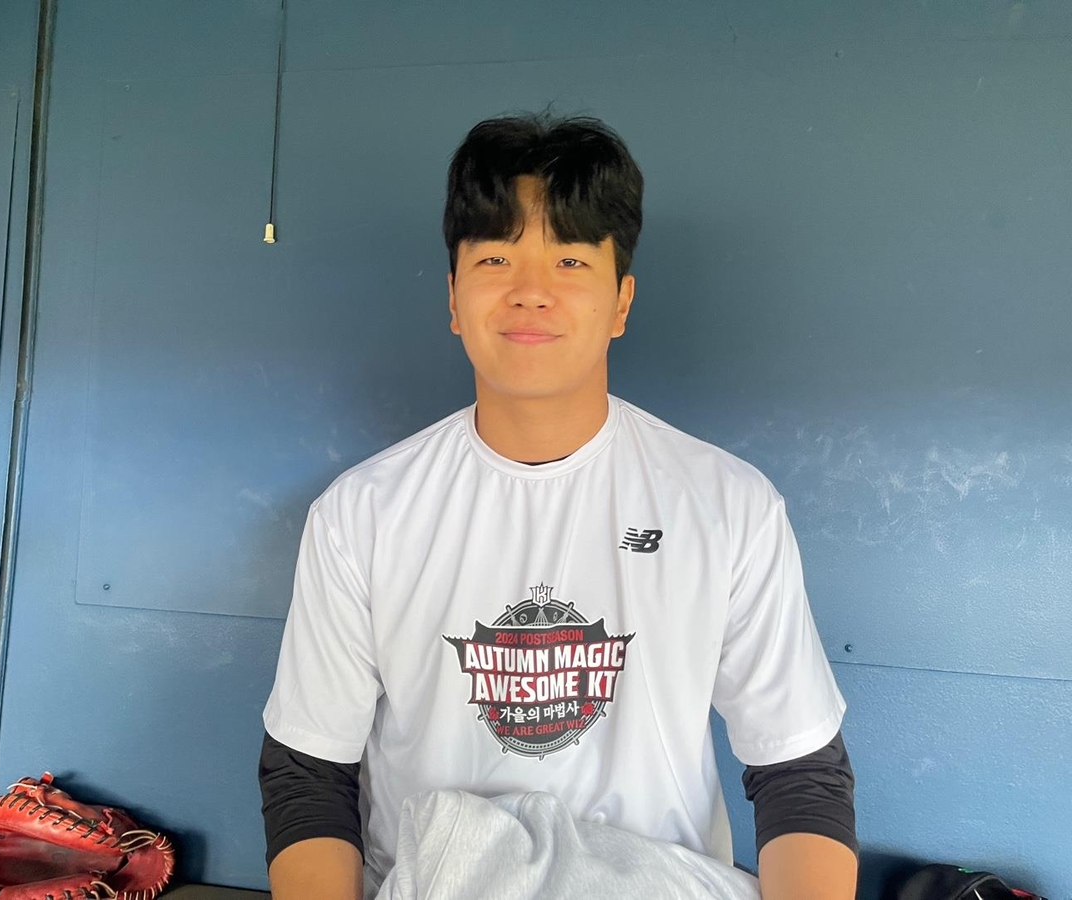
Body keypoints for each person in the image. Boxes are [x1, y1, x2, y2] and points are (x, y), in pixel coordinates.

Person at [259, 114, 858, 900]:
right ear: (452, 296)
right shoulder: (361, 515)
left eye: (570, 258)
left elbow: (800, 772)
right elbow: (307, 773)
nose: (530, 290)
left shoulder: (728, 506)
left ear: (621, 301)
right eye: (496, 256)